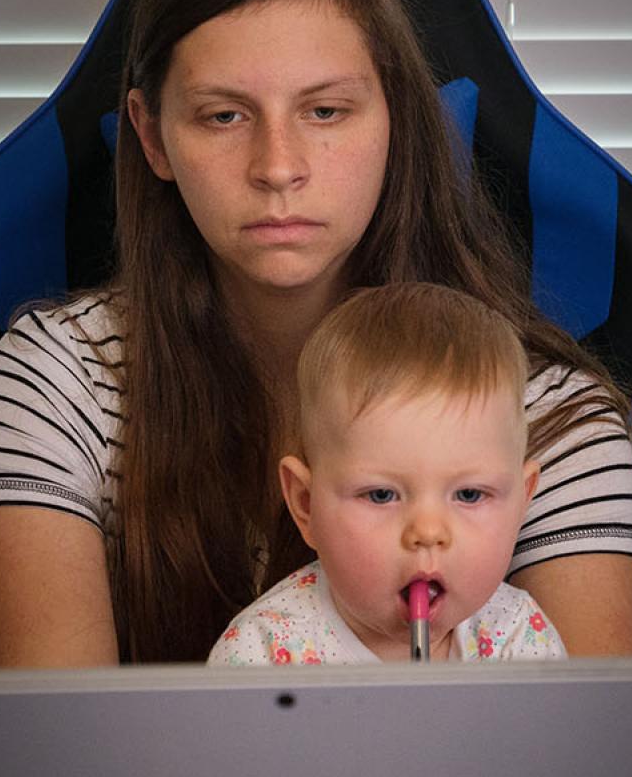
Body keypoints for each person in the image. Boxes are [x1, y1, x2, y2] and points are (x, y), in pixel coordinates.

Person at [0, 0, 632, 666]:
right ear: (152, 136)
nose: (278, 166)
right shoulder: (47, 389)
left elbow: (597, 766)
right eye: (223, 116)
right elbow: (56, 766)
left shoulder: (549, 414)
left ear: (396, 119)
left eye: (324, 109)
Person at [210, 282, 566, 665]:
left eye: (469, 495)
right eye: (381, 495)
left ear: (521, 502)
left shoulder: (520, 638)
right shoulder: (259, 655)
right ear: (306, 505)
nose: (428, 533)